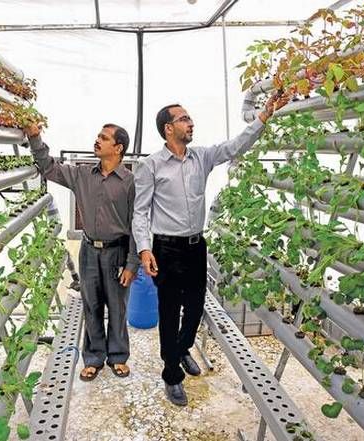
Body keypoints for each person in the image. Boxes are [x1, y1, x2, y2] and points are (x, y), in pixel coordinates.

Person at [132, 93, 288, 406]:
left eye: (189, 118)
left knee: (195, 306)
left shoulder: (201, 157)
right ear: (168, 129)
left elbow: (233, 147)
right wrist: (145, 250)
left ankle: (182, 348)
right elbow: (140, 212)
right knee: (169, 310)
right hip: (167, 248)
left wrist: (263, 117)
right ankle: (172, 374)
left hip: (195, 245)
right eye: (183, 119)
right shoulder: (150, 165)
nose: (190, 123)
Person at [25, 123, 139, 381]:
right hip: (89, 251)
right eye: (98, 135)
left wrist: (132, 263)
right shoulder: (82, 175)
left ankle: (118, 356)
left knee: (118, 307)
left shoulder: (130, 182)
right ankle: (94, 357)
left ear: (118, 148)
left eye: (104, 138)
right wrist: (35, 138)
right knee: (92, 305)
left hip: (117, 252)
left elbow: (137, 224)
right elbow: (49, 167)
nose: (97, 140)